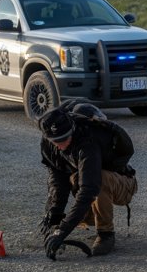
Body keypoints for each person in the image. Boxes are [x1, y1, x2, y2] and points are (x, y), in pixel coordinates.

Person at [37, 103, 138, 258]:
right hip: (94, 184)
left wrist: (63, 231)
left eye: (65, 138)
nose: (61, 144)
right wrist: (54, 219)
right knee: (74, 178)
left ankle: (106, 234)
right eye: (56, 141)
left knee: (100, 179)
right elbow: (57, 182)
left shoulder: (87, 142)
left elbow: (89, 189)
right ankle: (90, 217)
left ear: (72, 129)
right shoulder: (50, 144)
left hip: (123, 183)